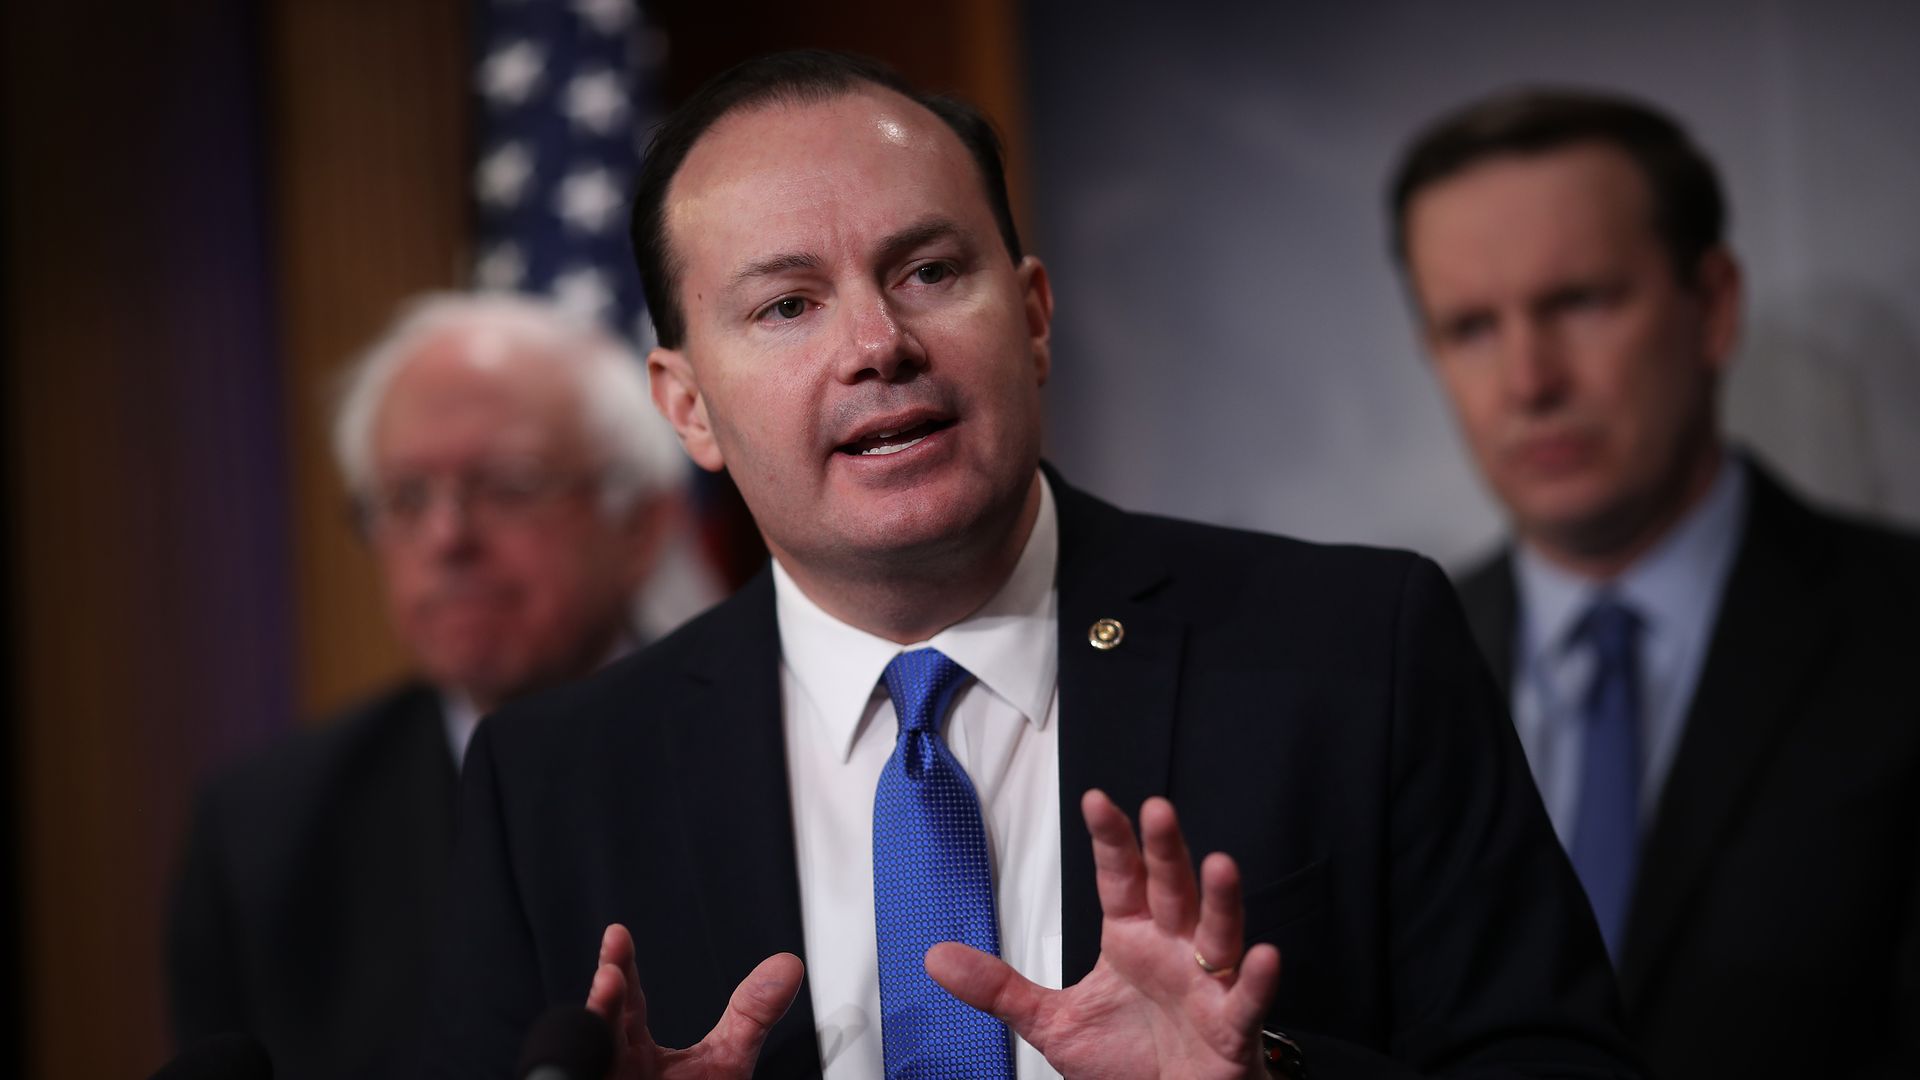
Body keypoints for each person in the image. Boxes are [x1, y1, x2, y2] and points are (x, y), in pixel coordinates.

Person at [423, 51, 1644, 1080]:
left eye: (930, 272)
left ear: (1036, 315)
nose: (877, 345)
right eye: (787, 305)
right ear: (687, 407)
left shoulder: (1350, 650)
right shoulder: (553, 785)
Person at [1390, 88, 1920, 1079]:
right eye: (1470, 327)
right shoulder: (1390, 671)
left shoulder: (1902, 629)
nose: (1528, 380)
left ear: (1713, 307)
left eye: (1579, 302)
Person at [166, 292, 700, 1080]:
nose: (447, 539)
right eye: (407, 497)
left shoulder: (754, 749)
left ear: (641, 527)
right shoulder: (263, 835)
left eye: (510, 485)